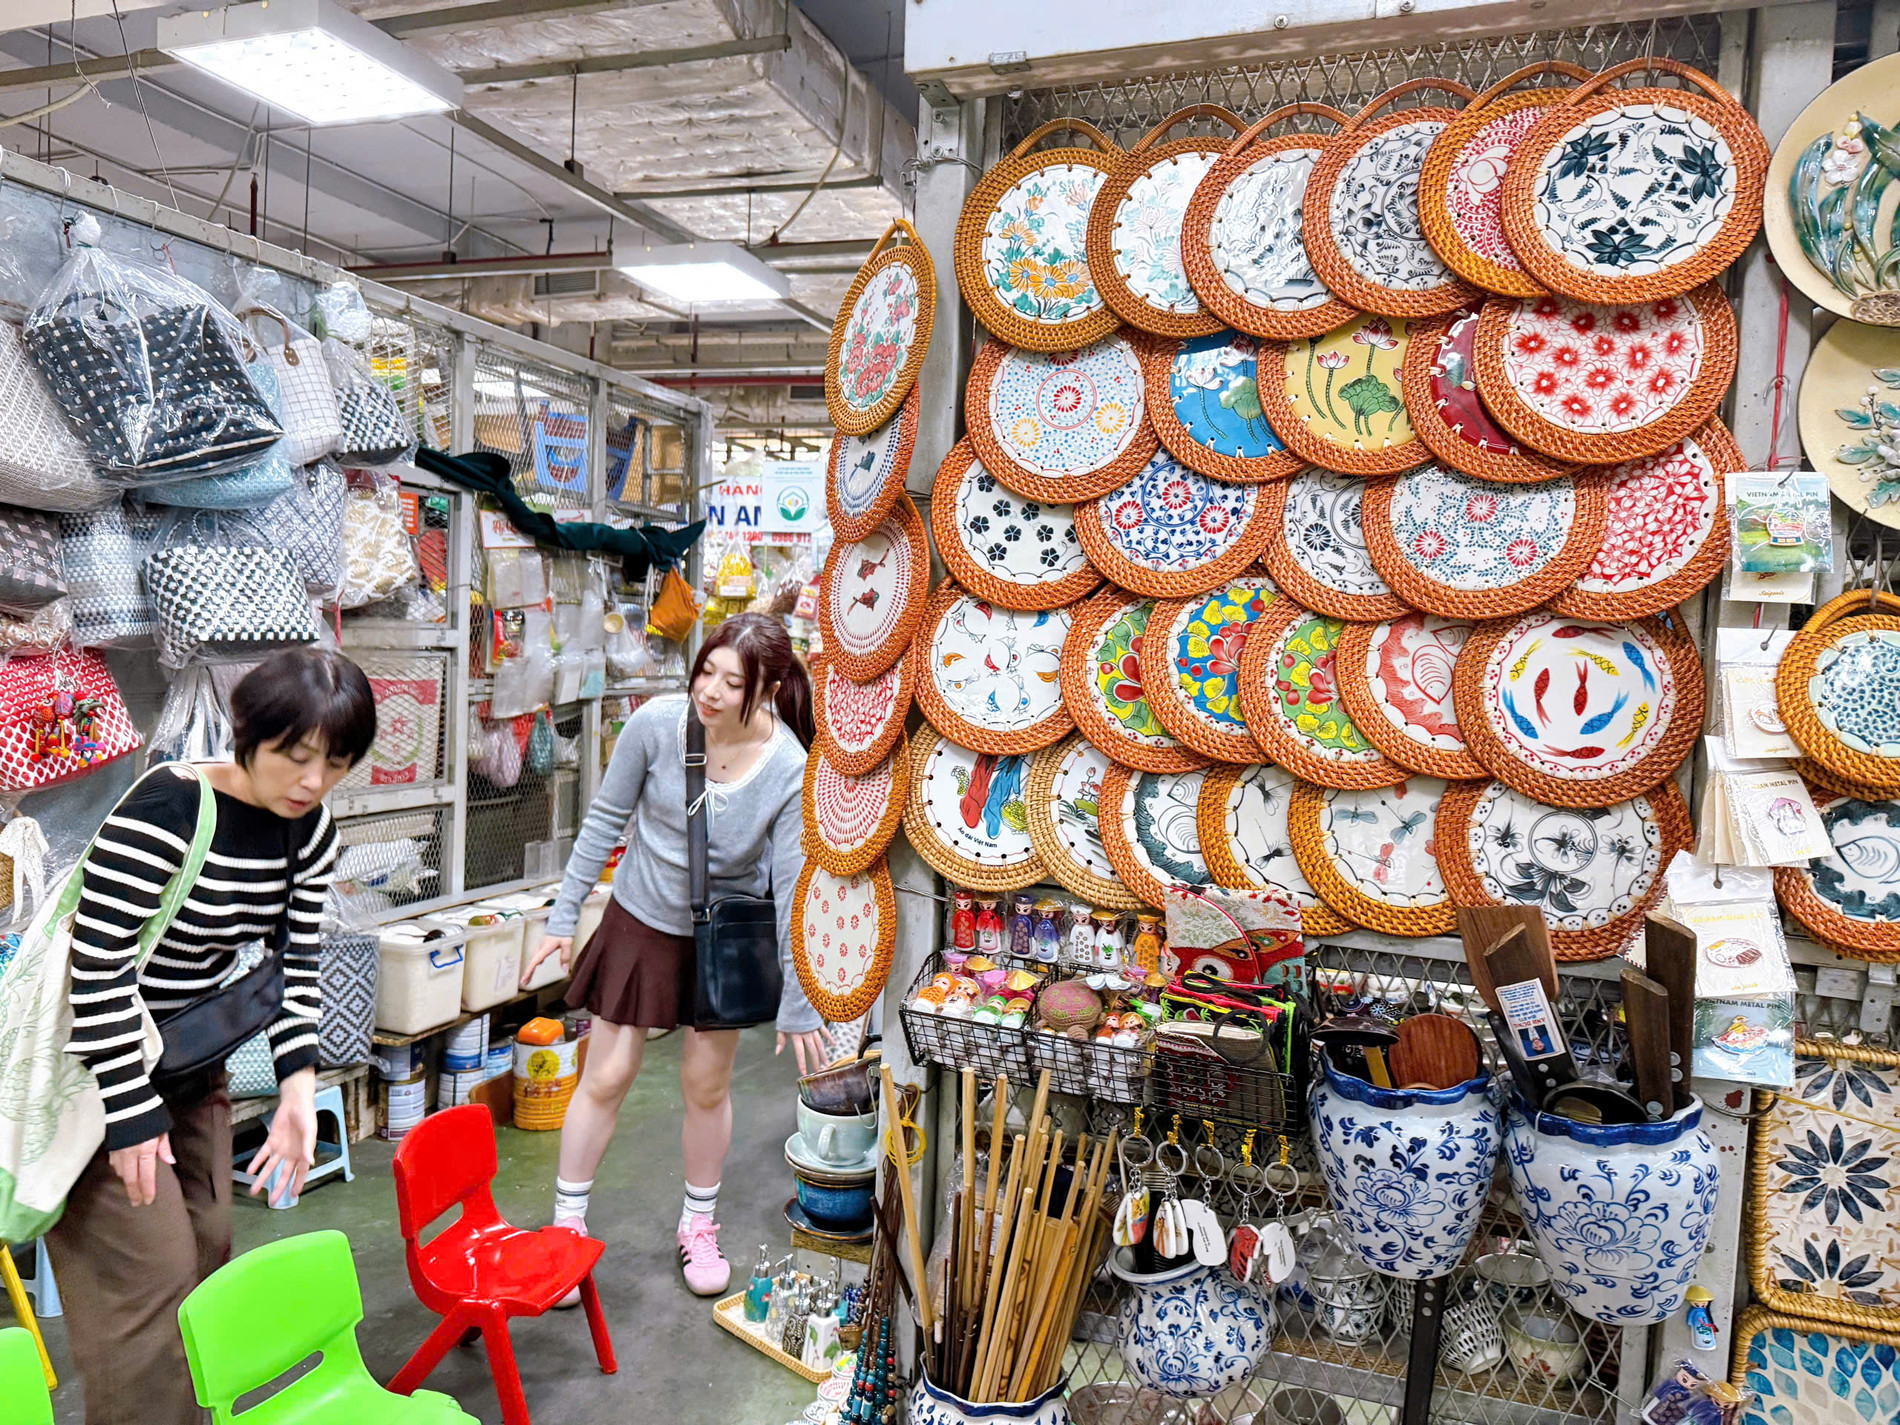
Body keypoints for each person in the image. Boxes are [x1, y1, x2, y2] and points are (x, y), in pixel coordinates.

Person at [49, 646, 375, 1425]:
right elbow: (97, 967)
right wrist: (128, 1115)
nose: (312, 782)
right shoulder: (168, 808)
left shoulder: (309, 830)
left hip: (192, 1066)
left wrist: (299, 1088)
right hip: (103, 1075)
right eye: (294, 757)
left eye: (335, 762)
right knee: (152, 1276)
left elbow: (296, 966)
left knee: (209, 1248)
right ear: (248, 736)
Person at [526, 613, 827, 1297]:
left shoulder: (788, 767)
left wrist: (798, 1003)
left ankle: (699, 1226)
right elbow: (603, 818)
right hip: (640, 917)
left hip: (723, 937)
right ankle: (566, 1229)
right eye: (706, 670)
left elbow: (790, 888)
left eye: (733, 681)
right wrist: (563, 915)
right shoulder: (657, 724)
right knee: (607, 1073)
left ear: (770, 687)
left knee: (706, 1083)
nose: (711, 691)